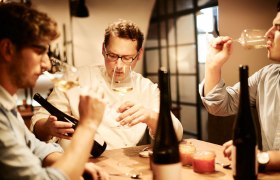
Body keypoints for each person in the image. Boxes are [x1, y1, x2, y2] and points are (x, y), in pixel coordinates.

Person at [31, 19, 183, 150]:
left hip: (121, 166)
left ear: (139, 54)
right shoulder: (77, 77)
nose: (118, 65)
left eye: (127, 58)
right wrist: (47, 127)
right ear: (103, 49)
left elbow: (176, 133)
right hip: (78, 163)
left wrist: (150, 117)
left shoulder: (146, 88)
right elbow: (39, 123)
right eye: (112, 55)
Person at [0, 2, 109, 179]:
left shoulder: (6, 102)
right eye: (39, 52)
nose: (47, 64)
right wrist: (88, 124)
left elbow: (34, 145)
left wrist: (73, 163)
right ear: (8, 49)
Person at [199, 1, 280, 171]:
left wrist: (260, 157)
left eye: (278, 28)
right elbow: (221, 106)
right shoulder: (267, 76)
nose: (268, 34)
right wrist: (213, 66)